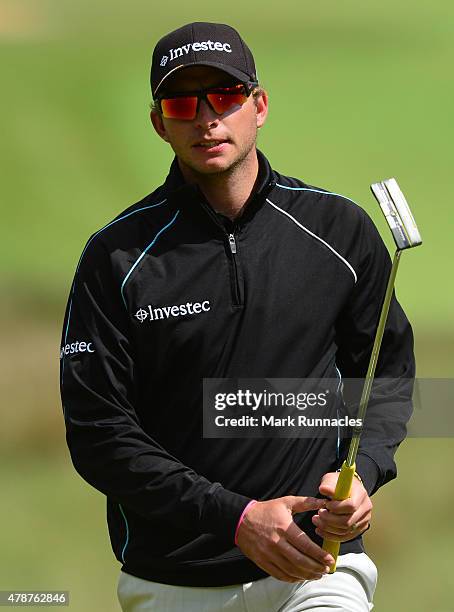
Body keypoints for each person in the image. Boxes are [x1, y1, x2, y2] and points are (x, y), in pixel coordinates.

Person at [59, 21, 415, 611]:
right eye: (182, 102)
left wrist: (367, 472)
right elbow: (99, 435)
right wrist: (238, 518)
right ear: (159, 122)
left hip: (317, 567)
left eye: (224, 96)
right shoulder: (116, 257)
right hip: (172, 580)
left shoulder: (339, 232)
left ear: (260, 105)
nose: (206, 118)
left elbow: (388, 378)